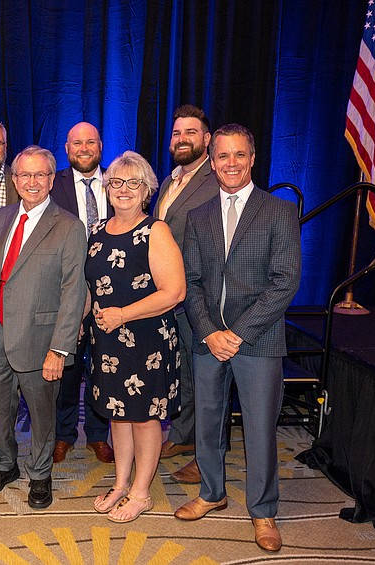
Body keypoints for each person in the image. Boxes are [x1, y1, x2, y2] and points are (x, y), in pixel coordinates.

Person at [175, 124, 301, 552]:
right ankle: (212, 493)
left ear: (253, 159)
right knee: (208, 423)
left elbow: (285, 283)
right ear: (212, 163)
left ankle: (263, 511)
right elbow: (189, 282)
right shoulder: (199, 216)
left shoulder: (278, 211)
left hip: (258, 341)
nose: (231, 163)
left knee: (260, 427)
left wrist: (238, 333)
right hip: (207, 341)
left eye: (239, 155)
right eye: (223, 156)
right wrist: (210, 332)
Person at [0, 146, 87, 509]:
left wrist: (60, 348)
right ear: (15, 179)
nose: (33, 182)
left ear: (52, 179)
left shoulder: (69, 226)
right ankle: (5, 463)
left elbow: (74, 291)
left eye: (41, 175)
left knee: (41, 414)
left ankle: (40, 474)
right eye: (25, 175)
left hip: (40, 340)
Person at [85, 151, 185, 523]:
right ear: (107, 188)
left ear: (146, 190)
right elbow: (92, 287)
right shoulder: (96, 231)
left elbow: (174, 292)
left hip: (147, 341)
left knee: (144, 418)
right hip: (107, 342)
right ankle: (121, 483)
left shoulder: (155, 231)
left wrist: (123, 315)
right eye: (116, 182)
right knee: (118, 415)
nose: (123, 190)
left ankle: (142, 492)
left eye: (133, 183)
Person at [152, 105, 220, 484]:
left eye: (191, 133)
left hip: (201, 298)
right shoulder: (170, 180)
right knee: (183, 375)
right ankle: (182, 436)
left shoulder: (217, 179)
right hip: (172, 296)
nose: (182, 140)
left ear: (206, 139)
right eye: (177, 133)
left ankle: (208, 458)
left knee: (208, 379)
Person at [50, 121, 114, 464]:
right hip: (66, 289)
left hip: (113, 292)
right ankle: (63, 434)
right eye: (77, 143)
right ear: (67, 148)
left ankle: (99, 434)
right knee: (69, 365)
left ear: (100, 147)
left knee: (104, 365)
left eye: (91, 142)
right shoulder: (52, 183)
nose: (84, 148)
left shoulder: (120, 180)